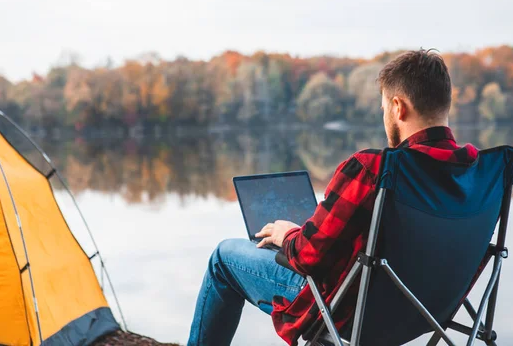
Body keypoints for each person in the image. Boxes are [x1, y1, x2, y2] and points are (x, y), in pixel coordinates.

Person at [187, 49, 479, 346]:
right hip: (429, 311)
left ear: (397, 108)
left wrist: (289, 234)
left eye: (383, 110)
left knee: (223, 258)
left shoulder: (373, 169)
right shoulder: (478, 173)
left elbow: (306, 256)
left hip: (352, 310)